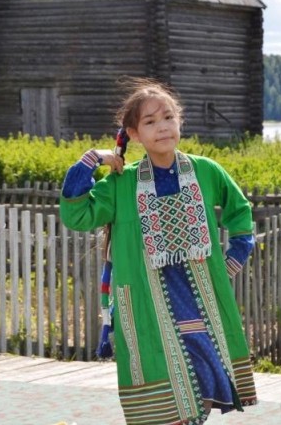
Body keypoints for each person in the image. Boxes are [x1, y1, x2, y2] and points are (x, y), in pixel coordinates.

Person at [60, 78, 257, 424]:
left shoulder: (206, 171)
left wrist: (231, 262)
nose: (162, 127)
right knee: (161, 388)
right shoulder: (121, 183)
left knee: (204, 374)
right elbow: (76, 214)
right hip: (146, 303)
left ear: (179, 121)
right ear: (134, 134)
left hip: (200, 299)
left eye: (168, 117)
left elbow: (240, 214)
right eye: (150, 122)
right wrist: (95, 158)